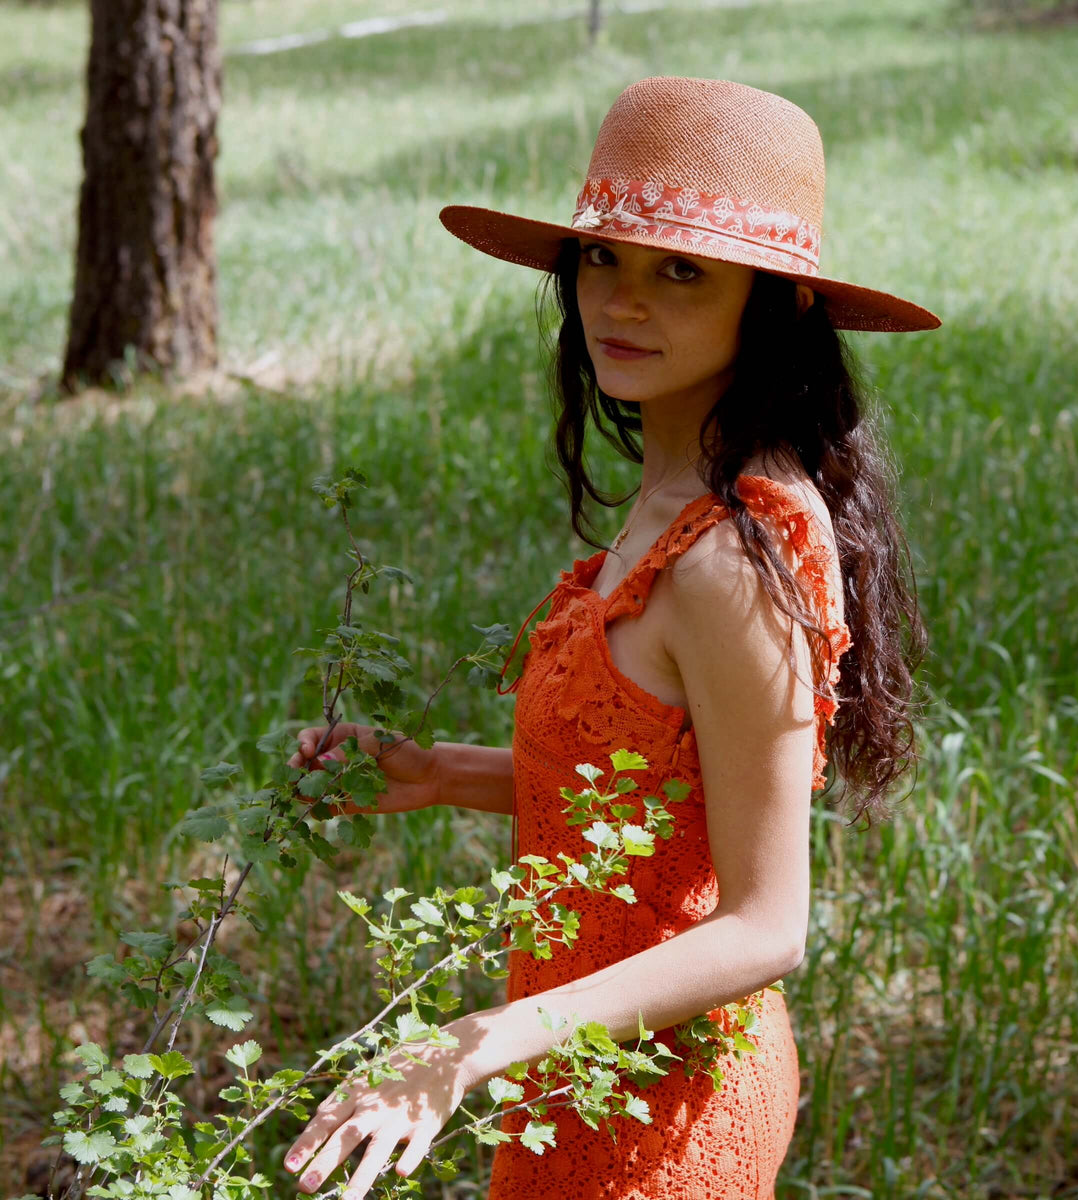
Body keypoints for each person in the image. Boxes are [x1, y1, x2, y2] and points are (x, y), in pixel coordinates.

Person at [282, 75, 938, 1200]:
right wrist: (437, 774)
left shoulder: (737, 556)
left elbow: (767, 925)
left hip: (664, 1104)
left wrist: (472, 1045)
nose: (624, 303)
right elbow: (648, 799)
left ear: (773, 303)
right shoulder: (670, 493)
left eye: (682, 271)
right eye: (604, 260)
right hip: (573, 1068)